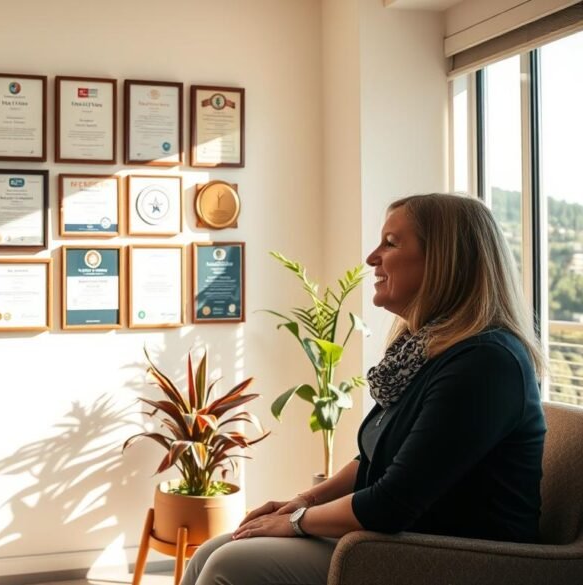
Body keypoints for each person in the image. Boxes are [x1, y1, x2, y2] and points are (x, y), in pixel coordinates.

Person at [181, 193, 546, 585]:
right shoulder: (422, 352)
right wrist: (303, 500)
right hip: (400, 540)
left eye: (391, 243)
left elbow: (391, 504)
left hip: (457, 557)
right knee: (211, 551)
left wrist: (296, 521)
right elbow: (374, 458)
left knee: (230, 566)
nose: (373, 257)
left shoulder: (485, 364)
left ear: (444, 261)